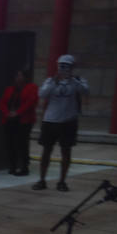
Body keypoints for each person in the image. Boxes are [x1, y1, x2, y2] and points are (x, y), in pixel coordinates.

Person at [33, 54, 88, 192]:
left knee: (66, 152)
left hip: (68, 121)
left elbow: (85, 91)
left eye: (67, 66)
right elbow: (42, 94)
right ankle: (42, 179)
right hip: (50, 121)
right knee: (46, 151)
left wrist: (72, 80)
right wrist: (54, 82)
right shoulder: (50, 80)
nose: (64, 68)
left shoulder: (78, 81)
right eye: (62, 65)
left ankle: (62, 181)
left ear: (72, 67)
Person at [0, 68, 38, 178]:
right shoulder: (10, 89)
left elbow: (31, 102)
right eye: (17, 75)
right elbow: (2, 102)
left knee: (22, 144)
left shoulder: (32, 88)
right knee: (10, 143)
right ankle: (12, 165)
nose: (19, 78)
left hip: (24, 120)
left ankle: (24, 166)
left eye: (21, 75)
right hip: (9, 120)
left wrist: (18, 112)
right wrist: (7, 113)